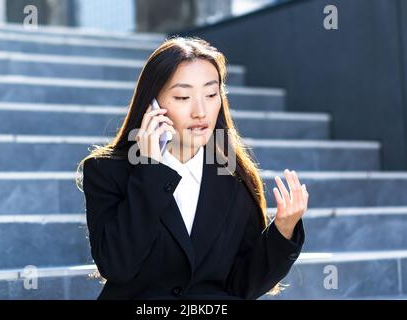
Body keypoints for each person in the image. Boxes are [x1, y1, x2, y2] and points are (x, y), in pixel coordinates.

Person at [76, 36, 308, 300]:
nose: (201, 111)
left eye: (211, 94)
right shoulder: (107, 171)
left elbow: (242, 285)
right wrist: (150, 171)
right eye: (183, 96)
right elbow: (117, 266)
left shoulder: (231, 173)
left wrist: (283, 229)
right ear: (152, 104)